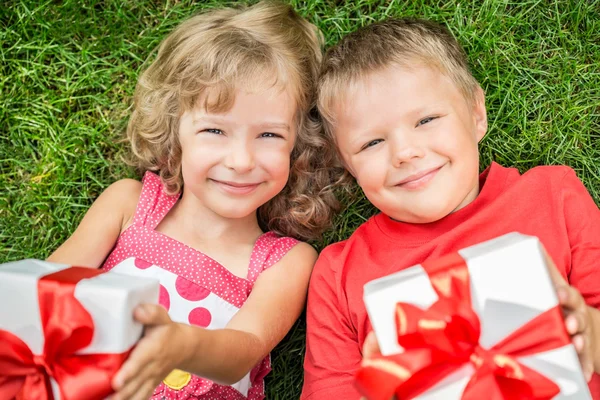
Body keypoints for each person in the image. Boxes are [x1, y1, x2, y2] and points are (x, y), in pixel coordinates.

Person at [48, 2, 338, 399]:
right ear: (174, 130)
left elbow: (242, 351)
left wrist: (183, 345)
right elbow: (45, 289)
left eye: (269, 135)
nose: (240, 161)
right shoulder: (129, 207)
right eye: (215, 130)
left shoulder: (284, 262)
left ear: (298, 145)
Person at [301, 18, 600, 399]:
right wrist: (377, 388)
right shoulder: (338, 274)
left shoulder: (553, 196)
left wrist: (588, 329)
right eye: (372, 143)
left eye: (426, 120)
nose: (406, 152)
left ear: (476, 114)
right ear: (346, 162)